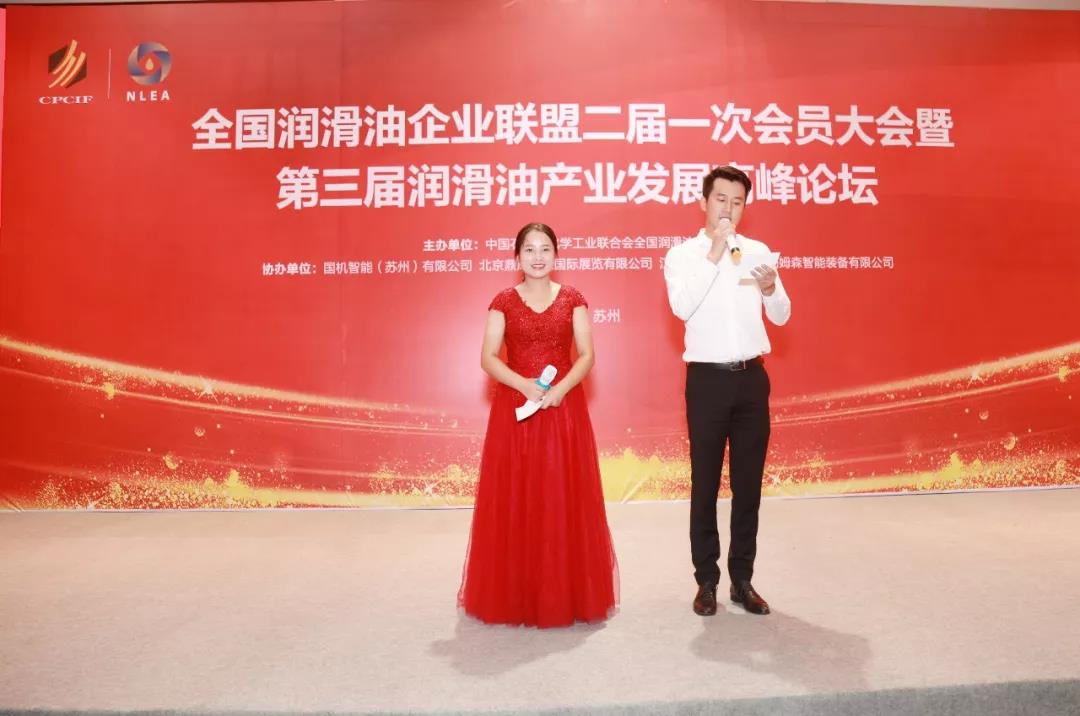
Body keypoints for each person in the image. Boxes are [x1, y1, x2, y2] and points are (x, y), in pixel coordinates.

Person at [458, 222, 618, 628]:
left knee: (561, 496)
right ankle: (515, 594)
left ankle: (565, 593)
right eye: (529, 250)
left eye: (545, 249)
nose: (537, 257)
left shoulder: (573, 299)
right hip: (516, 409)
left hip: (563, 409)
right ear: (517, 257)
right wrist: (524, 386)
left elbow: (587, 354)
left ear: (556, 255)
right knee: (517, 496)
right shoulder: (503, 301)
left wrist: (560, 389)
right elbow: (488, 357)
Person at [663, 166, 791, 617]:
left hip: (752, 379)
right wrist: (714, 253)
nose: (728, 209)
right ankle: (707, 580)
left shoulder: (757, 252)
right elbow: (682, 306)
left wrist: (771, 289)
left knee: (748, 485)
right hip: (707, 381)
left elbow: (781, 314)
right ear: (704, 202)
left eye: (737, 202)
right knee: (705, 483)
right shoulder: (682, 255)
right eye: (721, 200)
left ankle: (742, 579)